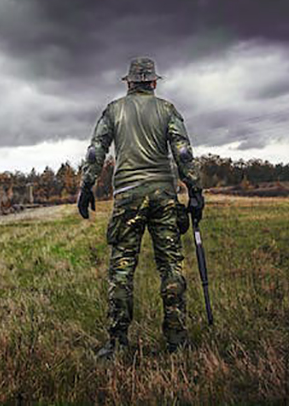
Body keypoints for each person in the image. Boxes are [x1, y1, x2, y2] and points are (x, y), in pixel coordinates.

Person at [77, 57, 204, 359]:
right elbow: (183, 152)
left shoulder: (113, 110)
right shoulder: (167, 110)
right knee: (170, 265)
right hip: (163, 194)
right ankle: (176, 339)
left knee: (122, 268)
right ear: (154, 83)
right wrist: (195, 190)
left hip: (128, 196)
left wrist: (86, 186)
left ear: (129, 82)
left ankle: (117, 343)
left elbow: (97, 151)